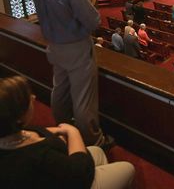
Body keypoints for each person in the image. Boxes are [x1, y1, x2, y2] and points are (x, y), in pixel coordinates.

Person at [31, 0, 108, 147]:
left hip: (53, 47)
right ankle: (94, 140)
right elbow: (94, 21)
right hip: (76, 50)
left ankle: (63, 130)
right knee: (83, 100)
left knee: (60, 91)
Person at [0, 75, 135, 189]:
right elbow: (80, 172)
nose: (33, 97)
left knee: (98, 151)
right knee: (128, 168)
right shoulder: (39, 157)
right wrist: (72, 131)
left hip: (64, 170)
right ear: (18, 117)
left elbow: (34, 132)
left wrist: (58, 131)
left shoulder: (8, 133)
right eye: (28, 98)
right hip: (77, 178)